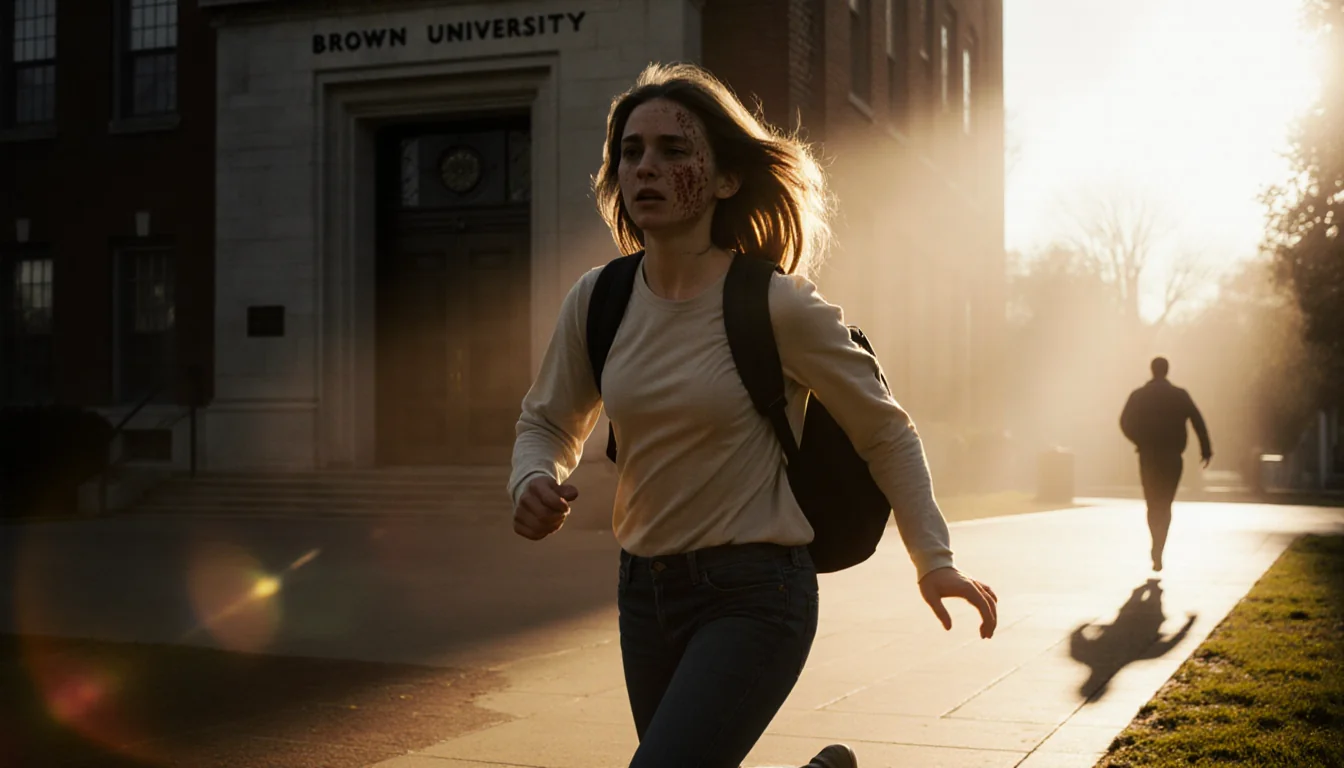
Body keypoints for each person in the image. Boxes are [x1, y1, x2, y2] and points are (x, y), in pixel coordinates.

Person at [508, 62, 998, 768]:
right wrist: (530, 478)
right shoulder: (600, 298)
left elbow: (886, 430)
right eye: (631, 151)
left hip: (757, 594)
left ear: (726, 178)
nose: (645, 166)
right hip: (643, 594)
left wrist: (934, 561)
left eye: (674, 151)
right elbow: (548, 422)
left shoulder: (777, 304)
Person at [1119, 357, 1213, 573]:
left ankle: (1155, 542)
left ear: (1151, 370)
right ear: (1167, 370)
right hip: (1172, 456)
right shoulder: (1179, 395)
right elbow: (1198, 421)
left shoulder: (1139, 395)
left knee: (1152, 502)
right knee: (1165, 502)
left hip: (1149, 455)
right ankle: (1159, 546)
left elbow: (1124, 421)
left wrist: (1138, 439)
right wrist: (1206, 449)